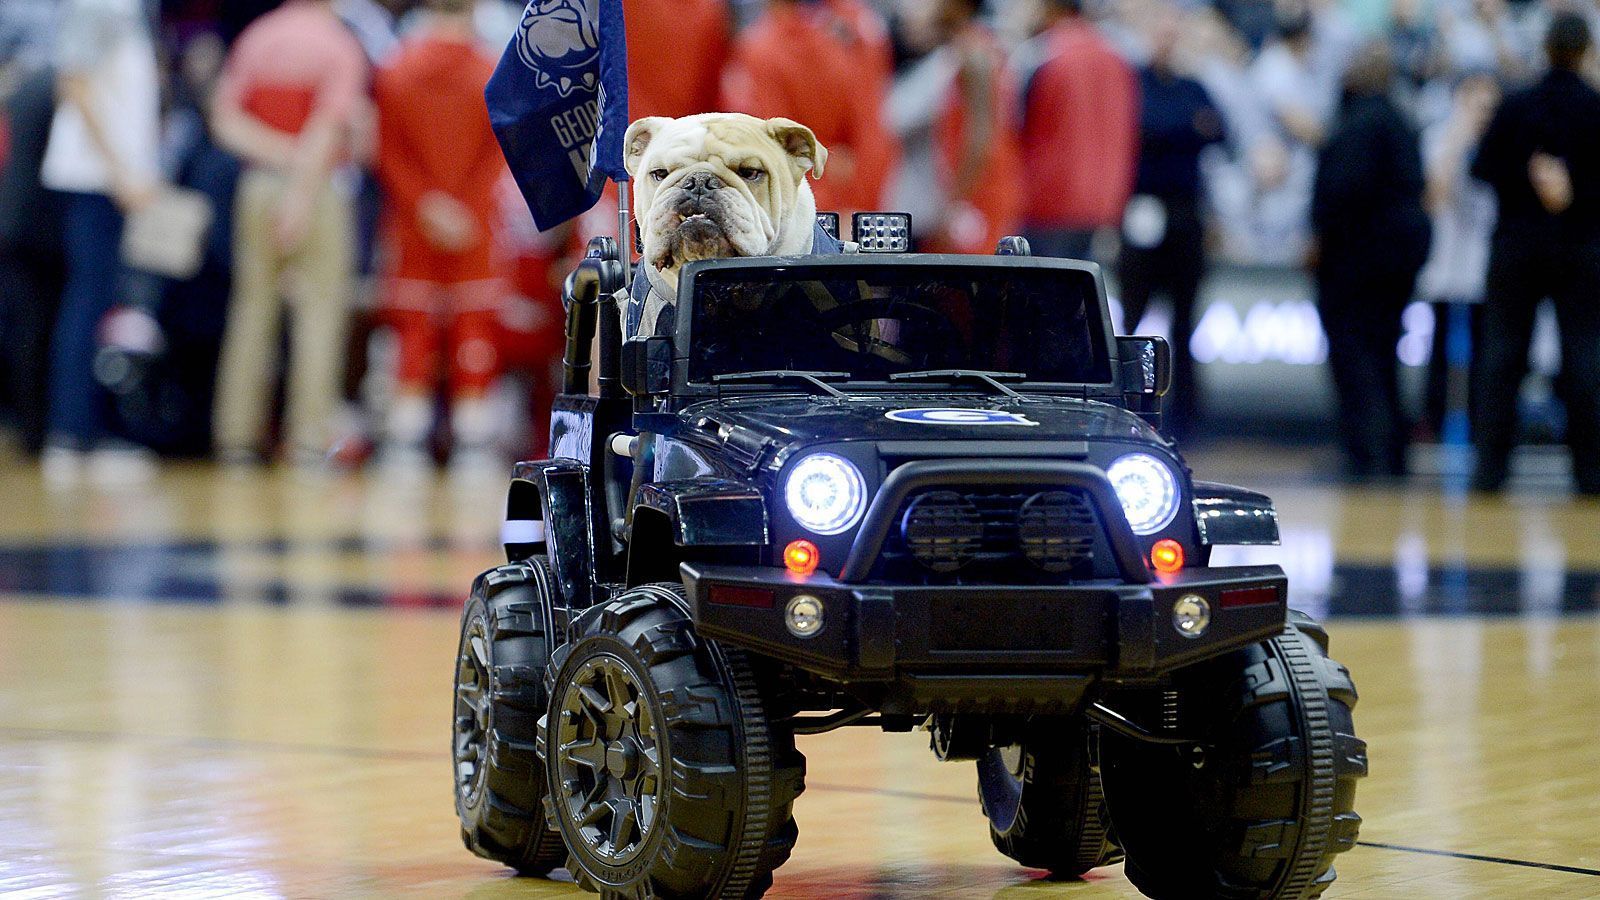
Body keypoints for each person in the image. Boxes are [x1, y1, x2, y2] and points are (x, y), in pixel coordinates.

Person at [210, 0, 368, 467]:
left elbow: (224, 120)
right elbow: (329, 125)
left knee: (250, 310)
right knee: (319, 313)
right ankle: (308, 441)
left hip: (256, 184)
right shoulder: (338, 45)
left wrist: (277, 157)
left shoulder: (257, 37)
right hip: (318, 188)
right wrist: (300, 188)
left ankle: (235, 439)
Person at [1469, 12, 1600, 495]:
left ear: (1544, 47)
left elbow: (1480, 168)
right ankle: (1591, 474)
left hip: (1516, 248)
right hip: (1582, 249)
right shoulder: (1594, 107)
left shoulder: (1517, 103)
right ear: (1586, 50)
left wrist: (1529, 176)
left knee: (1503, 357)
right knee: (1585, 358)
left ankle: (1489, 473)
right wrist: (1573, 189)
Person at [372, 0, 505, 472]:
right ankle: (472, 432)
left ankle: (407, 430)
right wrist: (466, 207)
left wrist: (425, 203)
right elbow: (499, 153)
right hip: (474, 225)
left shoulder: (396, 69)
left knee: (414, 326)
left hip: (413, 223)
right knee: (473, 325)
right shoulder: (492, 71)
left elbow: (386, 149)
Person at [36, 0, 163, 485]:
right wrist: (119, 173)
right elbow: (75, 84)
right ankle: (71, 434)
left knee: (100, 304)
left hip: (113, 182)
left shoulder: (129, 10)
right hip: (94, 181)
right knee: (87, 304)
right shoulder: (98, 5)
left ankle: (85, 430)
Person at [1311, 42, 1432, 480]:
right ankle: (1393, 453)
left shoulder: (1354, 126)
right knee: (1386, 357)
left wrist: (1321, 241)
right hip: (1398, 263)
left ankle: (1368, 453)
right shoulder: (1402, 121)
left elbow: (1339, 195)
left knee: (1355, 357)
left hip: (1355, 264)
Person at [1117, 9, 1226, 441]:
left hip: (1185, 215)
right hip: (1142, 213)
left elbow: (1219, 130)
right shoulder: (1133, 83)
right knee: (1133, 315)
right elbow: (1141, 129)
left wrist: (1175, 131)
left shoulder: (1194, 86)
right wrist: (1186, 129)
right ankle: (1125, 404)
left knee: (1186, 321)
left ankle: (1187, 418)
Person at [721, 0, 899, 219]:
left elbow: (766, 147)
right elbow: (873, 137)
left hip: (801, 208)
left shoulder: (760, 47)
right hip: (837, 203)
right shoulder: (860, 29)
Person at [1013, 0, 1138, 261]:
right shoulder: (1117, 57)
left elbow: (1015, 126)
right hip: (1104, 200)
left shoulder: (1041, 52)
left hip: (1047, 200)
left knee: (1042, 292)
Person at [897, 0, 1021, 254]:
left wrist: (953, 203)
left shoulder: (974, 52)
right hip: (973, 188)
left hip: (979, 193)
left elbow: (981, 137)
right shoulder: (967, 49)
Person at [1416, 71, 1498, 445]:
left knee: (1487, 355)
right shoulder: (1437, 138)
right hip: (1447, 264)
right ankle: (1433, 422)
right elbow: (1434, 196)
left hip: (1488, 266)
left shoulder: (1504, 141)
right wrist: (1458, 140)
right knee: (1440, 354)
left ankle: (1484, 427)